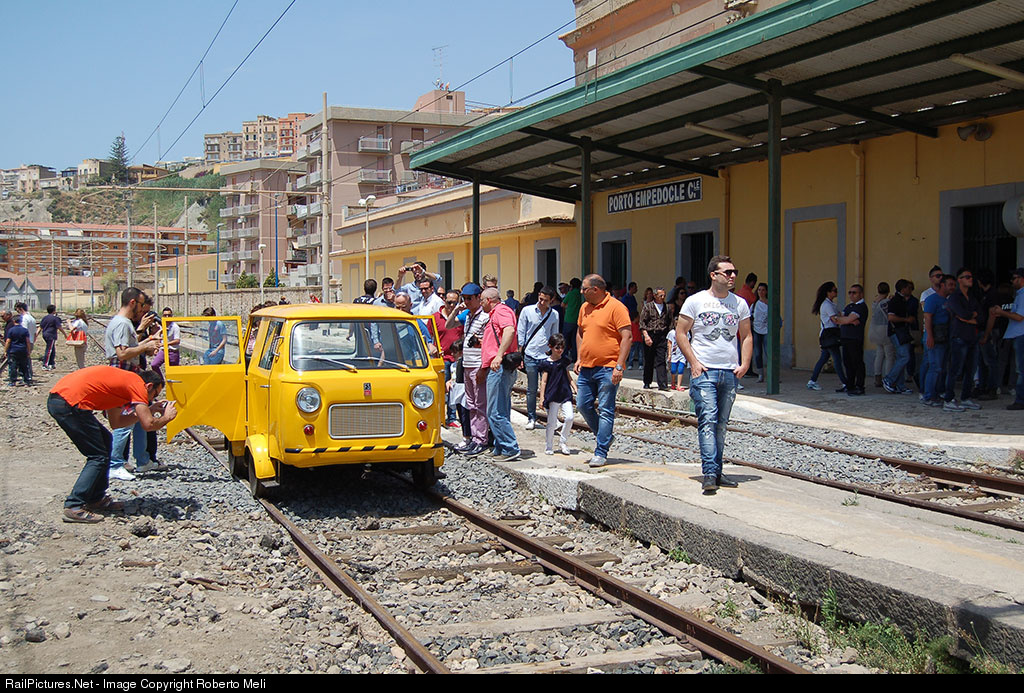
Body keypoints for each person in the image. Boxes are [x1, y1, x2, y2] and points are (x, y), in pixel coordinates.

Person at [48, 366, 177, 523]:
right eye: (154, 395)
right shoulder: (138, 385)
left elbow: (117, 423)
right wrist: (167, 417)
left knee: (106, 441)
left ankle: (96, 498)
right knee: (97, 456)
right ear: (149, 386)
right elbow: (149, 425)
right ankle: (74, 506)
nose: (150, 399)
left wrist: (148, 410)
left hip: (63, 400)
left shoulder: (123, 388)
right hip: (69, 403)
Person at [675, 255, 752, 494]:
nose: (732, 276)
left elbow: (747, 335)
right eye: (727, 272)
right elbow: (680, 333)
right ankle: (709, 472)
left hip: (729, 372)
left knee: (721, 424)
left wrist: (745, 364)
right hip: (705, 371)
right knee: (708, 420)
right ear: (713, 275)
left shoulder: (739, 304)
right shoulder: (695, 301)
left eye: (734, 272)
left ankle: (717, 472)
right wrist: (694, 363)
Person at [574, 274, 632, 468]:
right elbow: (580, 333)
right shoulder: (584, 308)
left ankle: (601, 451)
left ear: (596, 289)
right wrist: (579, 357)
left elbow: (627, 337)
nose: (581, 292)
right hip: (587, 367)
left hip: (608, 367)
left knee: (606, 409)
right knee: (582, 404)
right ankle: (605, 437)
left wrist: (619, 366)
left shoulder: (616, 307)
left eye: (584, 288)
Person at [105, 288, 160, 481]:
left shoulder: (124, 323)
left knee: (137, 417)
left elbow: (129, 347)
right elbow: (122, 353)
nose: (142, 310)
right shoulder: (122, 323)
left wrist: (146, 343)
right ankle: (115, 464)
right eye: (141, 304)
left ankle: (142, 460)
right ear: (133, 303)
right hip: (123, 373)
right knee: (125, 419)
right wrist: (146, 346)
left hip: (130, 372)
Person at [447, 282, 489, 456]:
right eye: (464, 298)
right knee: (470, 404)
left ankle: (482, 439)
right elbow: (449, 325)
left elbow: (488, 342)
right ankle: (473, 437)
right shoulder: (467, 315)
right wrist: (456, 309)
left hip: (478, 364)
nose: (467, 301)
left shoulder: (485, 317)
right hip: (467, 364)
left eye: (469, 298)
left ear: (479, 297)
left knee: (480, 405)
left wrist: (483, 367)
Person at [517, 285, 560, 430]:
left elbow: (555, 335)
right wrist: (520, 354)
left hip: (546, 356)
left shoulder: (554, 314)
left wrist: (555, 355)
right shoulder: (527, 311)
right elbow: (521, 331)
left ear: (551, 300)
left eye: (545, 300)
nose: (542, 302)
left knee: (549, 388)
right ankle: (531, 417)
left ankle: (552, 418)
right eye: (540, 299)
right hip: (530, 354)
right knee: (532, 388)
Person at [943, 267, 982, 411]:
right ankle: (948, 399)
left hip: (972, 337)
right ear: (959, 280)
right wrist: (971, 316)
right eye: (967, 277)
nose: (970, 279)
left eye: (971, 277)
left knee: (970, 370)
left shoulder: (972, 297)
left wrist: (969, 318)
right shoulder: (954, 297)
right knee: (955, 370)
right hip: (959, 337)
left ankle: (966, 398)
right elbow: (962, 314)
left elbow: (981, 316)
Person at [538, 333, 575, 455]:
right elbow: (543, 382)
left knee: (569, 417)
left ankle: (563, 442)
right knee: (552, 422)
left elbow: (568, 376)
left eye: (562, 347)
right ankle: (549, 445)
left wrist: (575, 387)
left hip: (565, 393)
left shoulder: (564, 361)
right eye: (557, 347)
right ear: (550, 346)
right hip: (553, 395)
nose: (560, 350)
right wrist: (542, 398)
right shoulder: (547, 363)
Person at [992, 268, 1024, 410]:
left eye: (1014, 278)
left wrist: (1002, 312)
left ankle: (1021, 400)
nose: (1012, 281)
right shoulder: (1019, 295)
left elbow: (1019, 317)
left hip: (1020, 335)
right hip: (1016, 335)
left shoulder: (1023, 295)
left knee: (1020, 369)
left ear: (1021, 279)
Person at [807, 282, 848, 391]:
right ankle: (845, 383)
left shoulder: (831, 304)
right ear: (828, 292)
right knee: (837, 359)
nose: (836, 292)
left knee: (823, 358)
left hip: (828, 335)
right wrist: (849, 321)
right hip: (830, 335)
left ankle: (812, 381)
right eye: (834, 290)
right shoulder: (827, 305)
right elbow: (835, 319)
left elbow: (839, 314)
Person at [921, 274, 955, 406]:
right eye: (950, 284)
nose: (952, 287)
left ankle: (937, 393)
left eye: (954, 285)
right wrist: (930, 336)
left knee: (941, 368)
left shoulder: (947, 300)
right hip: (934, 337)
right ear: (942, 285)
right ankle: (929, 396)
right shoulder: (932, 299)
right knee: (934, 367)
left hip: (944, 337)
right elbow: (928, 318)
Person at [434, 290, 464, 427]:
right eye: (449, 302)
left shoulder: (461, 318)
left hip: (457, 359)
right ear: (444, 301)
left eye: (454, 303)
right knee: (441, 389)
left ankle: (452, 417)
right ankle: (440, 416)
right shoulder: (435, 317)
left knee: (454, 388)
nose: (451, 305)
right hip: (442, 358)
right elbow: (429, 336)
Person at [834, 284, 868, 396]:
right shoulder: (849, 306)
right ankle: (850, 385)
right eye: (850, 292)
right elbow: (838, 318)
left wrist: (846, 320)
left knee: (857, 362)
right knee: (847, 363)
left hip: (855, 338)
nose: (851, 295)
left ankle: (860, 386)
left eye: (854, 293)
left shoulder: (861, 306)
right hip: (845, 337)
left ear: (861, 294)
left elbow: (845, 319)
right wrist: (847, 320)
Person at [638, 287, 672, 390]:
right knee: (649, 360)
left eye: (664, 295)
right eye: (660, 295)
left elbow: (669, 322)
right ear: (655, 295)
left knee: (661, 360)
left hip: (661, 336)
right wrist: (646, 336)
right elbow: (642, 323)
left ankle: (662, 384)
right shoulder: (648, 307)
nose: (663, 297)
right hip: (650, 334)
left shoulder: (667, 307)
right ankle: (647, 381)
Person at [869, 282, 894, 388]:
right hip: (884, 329)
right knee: (889, 356)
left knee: (879, 354)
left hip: (874, 329)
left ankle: (877, 377)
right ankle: (888, 378)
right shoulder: (886, 302)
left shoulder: (875, 301)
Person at [150, 307, 181, 376]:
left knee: (173, 373)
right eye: (165, 315)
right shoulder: (162, 326)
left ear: (172, 316)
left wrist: (165, 344)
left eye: (169, 315)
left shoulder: (175, 327)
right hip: (163, 351)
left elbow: (177, 340)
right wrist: (157, 348)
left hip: (173, 352)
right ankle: (161, 380)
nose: (167, 317)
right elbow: (160, 337)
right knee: (154, 365)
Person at [4, 314, 32, 386]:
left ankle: (12, 381)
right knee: (24, 365)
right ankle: (26, 380)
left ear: (14, 321)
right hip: (23, 350)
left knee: (13, 366)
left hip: (13, 350)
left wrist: (5, 350)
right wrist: (29, 351)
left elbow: (8, 341)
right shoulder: (25, 330)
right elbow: (28, 341)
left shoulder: (11, 330)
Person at [37, 304, 66, 371]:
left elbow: (40, 327)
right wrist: (65, 334)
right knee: (49, 350)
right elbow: (59, 327)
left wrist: (36, 334)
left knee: (52, 348)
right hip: (51, 335)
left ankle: (51, 363)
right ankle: (45, 364)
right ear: (54, 311)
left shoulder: (45, 318)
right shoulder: (55, 318)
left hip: (45, 334)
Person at [562, 278, 583, 361]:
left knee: (565, 339)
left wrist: (568, 307)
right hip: (578, 319)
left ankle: (563, 355)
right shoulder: (581, 294)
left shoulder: (570, 294)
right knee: (575, 340)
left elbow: (562, 304)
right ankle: (575, 357)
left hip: (569, 318)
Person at [751, 283, 769, 383]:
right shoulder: (754, 305)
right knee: (757, 353)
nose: (761, 292)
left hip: (767, 330)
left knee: (768, 352)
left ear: (766, 291)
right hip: (756, 330)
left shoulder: (770, 304)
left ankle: (772, 374)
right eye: (759, 290)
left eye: (763, 290)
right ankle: (760, 374)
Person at [15, 302, 36, 382]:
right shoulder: (32, 318)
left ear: (20, 309)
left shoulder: (24, 318)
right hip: (31, 340)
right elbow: (34, 332)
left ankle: (26, 376)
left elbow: (23, 331)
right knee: (27, 359)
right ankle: (29, 375)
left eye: (17, 310)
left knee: (24, 361)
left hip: (25, 342)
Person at [666, 324, 688, 390]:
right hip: (674, 354)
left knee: (681, 369)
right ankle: (673, 383)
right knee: (673, 370)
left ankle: (678, 385)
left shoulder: (686, 332)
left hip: (682, 354)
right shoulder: (672, 333)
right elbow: (669, 343)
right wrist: (669, 354)